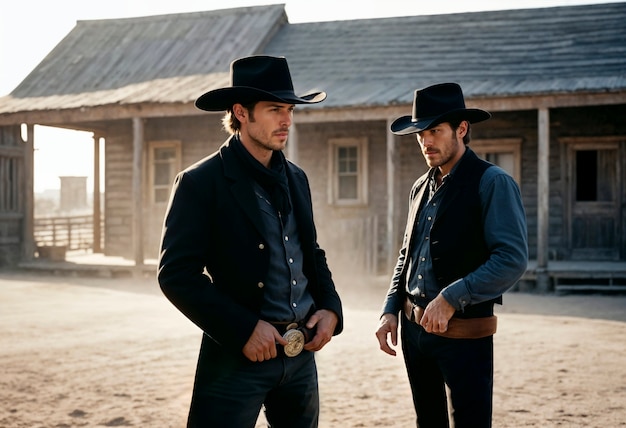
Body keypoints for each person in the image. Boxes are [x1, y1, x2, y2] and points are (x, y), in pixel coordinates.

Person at [158, 55, 343, 428]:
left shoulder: (296, 178)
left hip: (300, 353)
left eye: (289, 109)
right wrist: (243, 329)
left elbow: (311, 252)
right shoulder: (200, 182)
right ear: (241, 112)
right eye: (275, 109)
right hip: (235, 358)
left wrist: (330, 308)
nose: (287, 120)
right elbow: (176, 275)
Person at [375, 82, 528, 427]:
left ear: (461, 129)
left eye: (435, 131)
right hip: (415, 334)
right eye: (421, 134)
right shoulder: (419, 186)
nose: (426, 142)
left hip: (465, 333)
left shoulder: (492, 182)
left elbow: (512, 259)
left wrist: (451, 297)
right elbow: (407, 255)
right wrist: (389, 310)